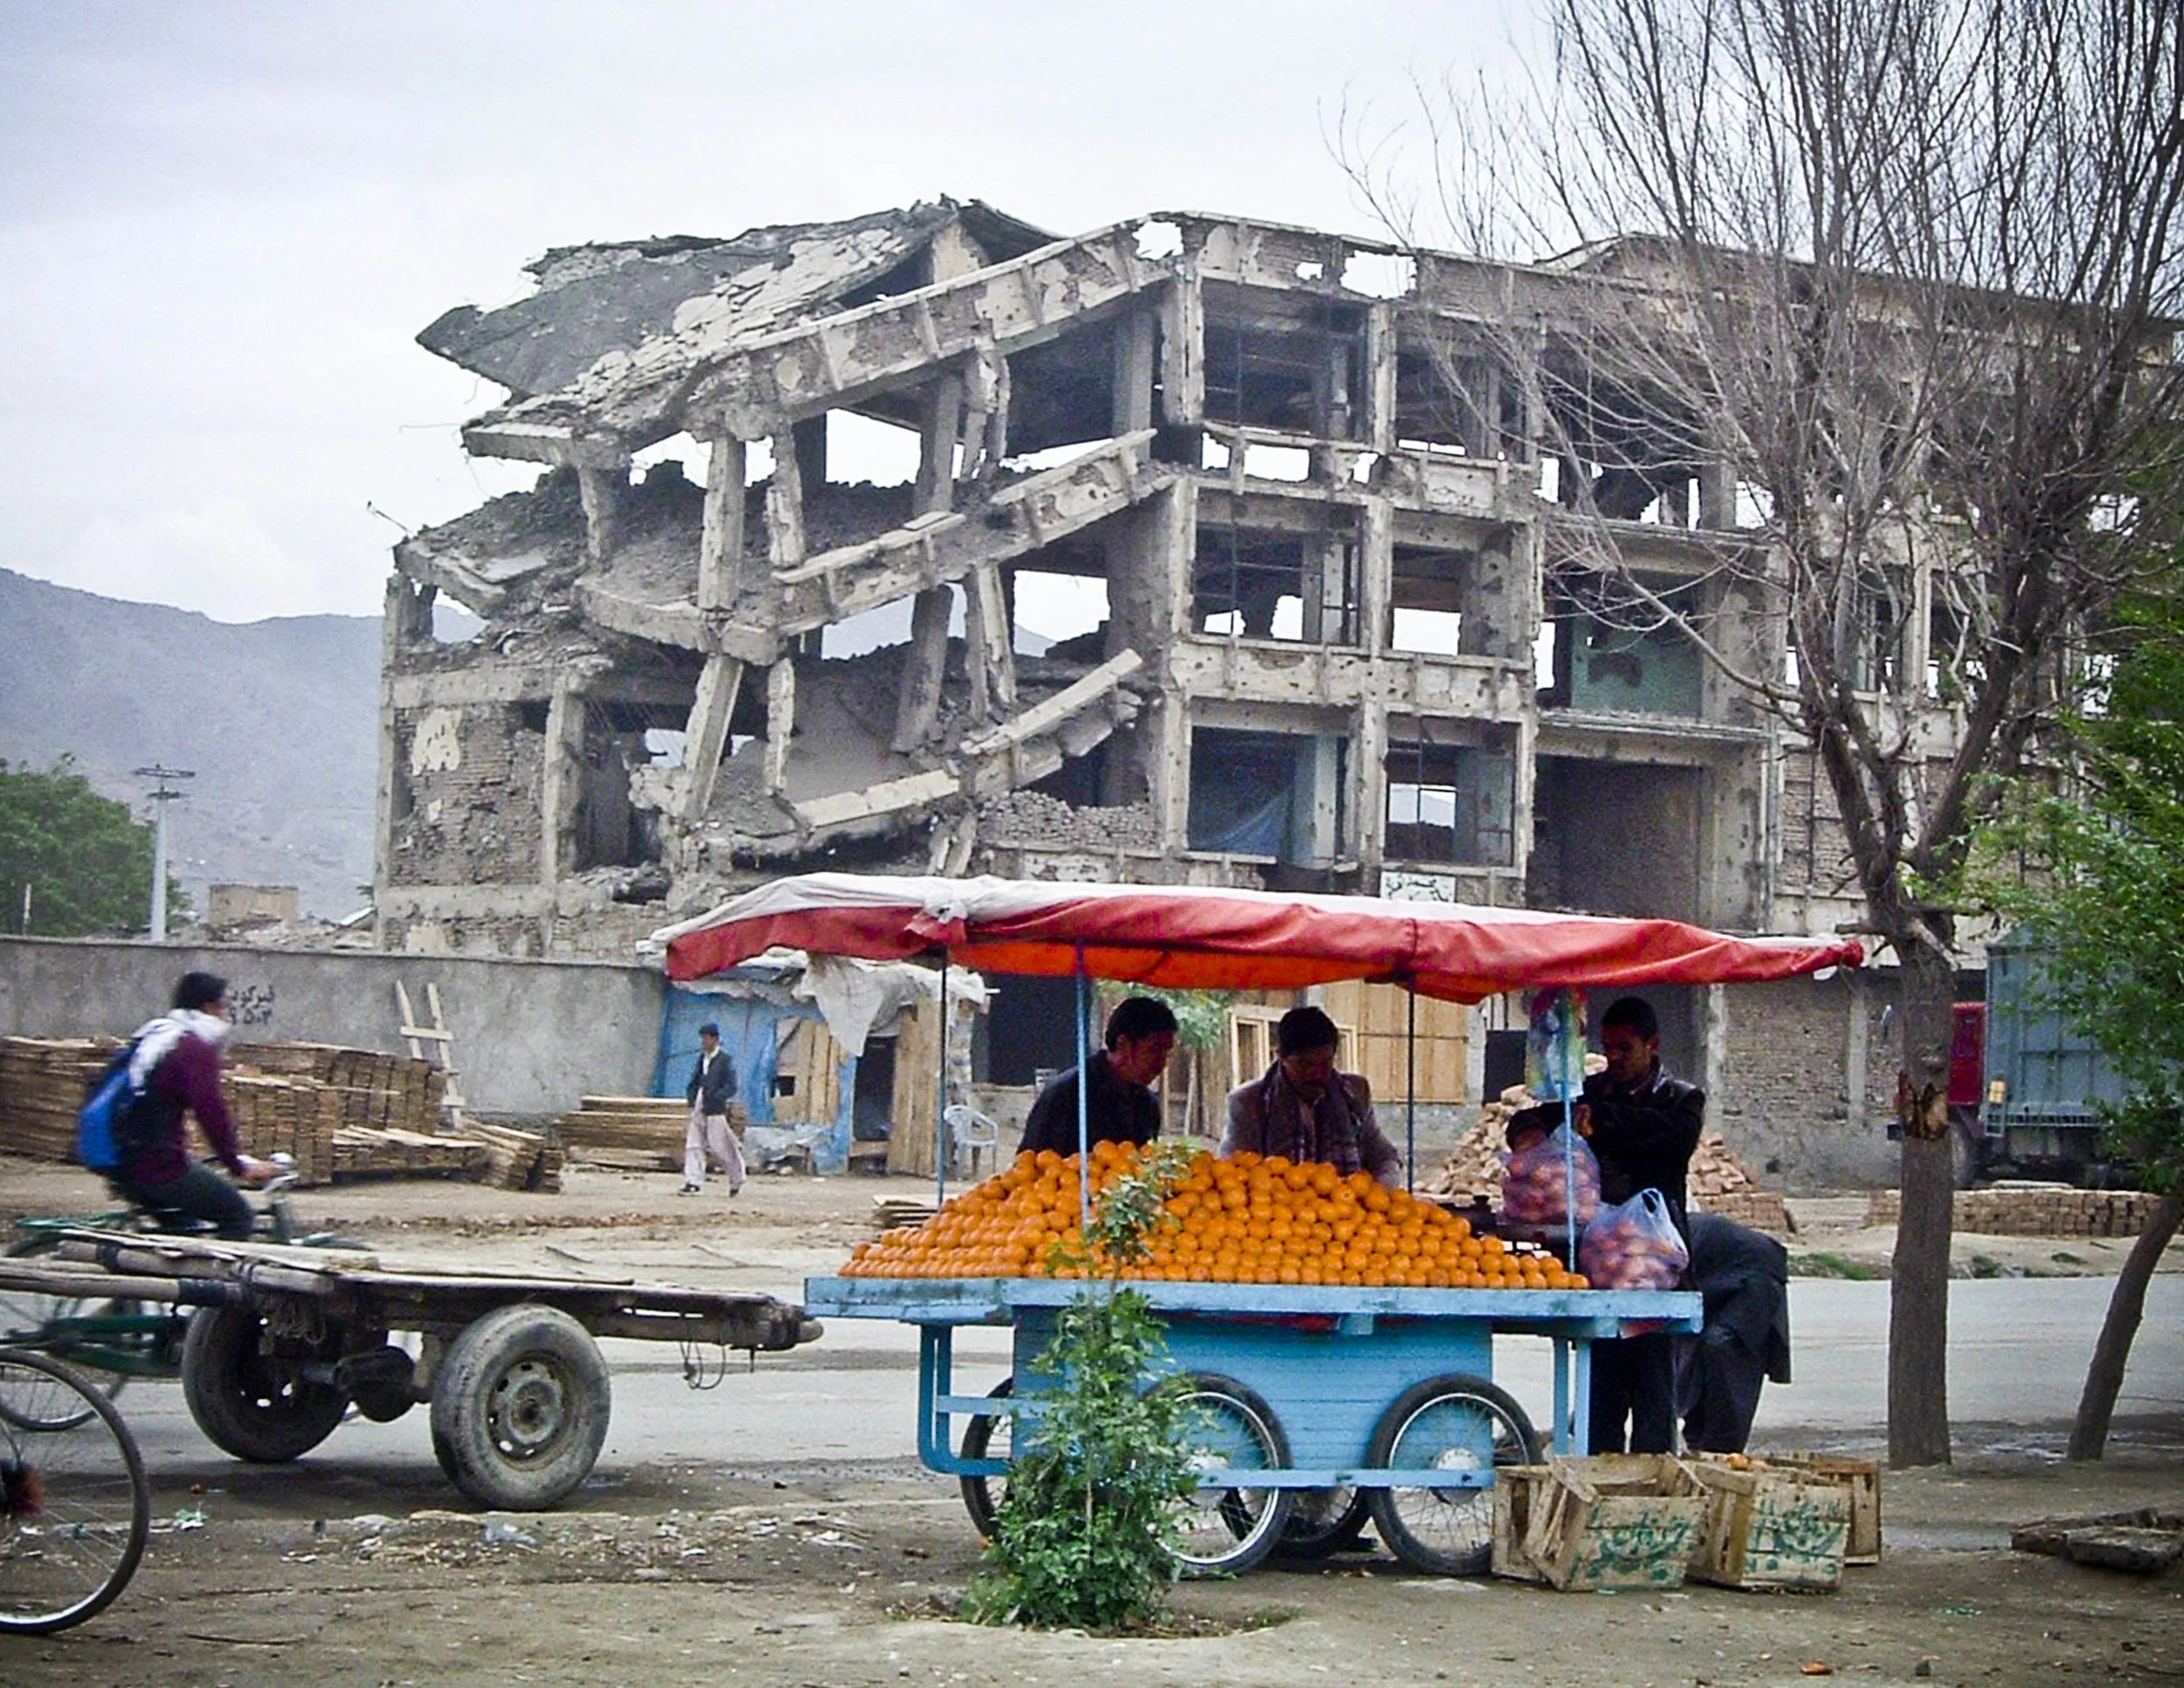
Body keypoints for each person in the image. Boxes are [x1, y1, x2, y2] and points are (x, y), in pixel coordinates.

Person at [1507, 994, 1704, 1454]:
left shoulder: (1682, 1099)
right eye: (1609, 1048)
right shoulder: (1591, 1093)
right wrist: (1527, 1133)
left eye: (1625, 1049)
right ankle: (1601, 1494)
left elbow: (1669, 1140)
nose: (1614, 1058)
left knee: (1655, 1400)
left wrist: (1602, 1122)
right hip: (1602, 1266)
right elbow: (1533, 1119)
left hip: (1654, 1270)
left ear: (1652, 1045)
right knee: (1602, 1398)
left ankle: (1653, 1505)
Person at [112, 971, 280, 1240]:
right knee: (237, 1216)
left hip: (124, 1156)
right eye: (224, 1006)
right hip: (156, 1163)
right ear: (209, 1006)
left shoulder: (158, 1035)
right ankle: (218, 1282)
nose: (226, 1015)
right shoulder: (194, 1048)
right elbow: (210, 1111)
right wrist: (238, 1165)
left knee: (185, 1233)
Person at [1222, 1005, 1402, 1186]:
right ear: (1281, 1057)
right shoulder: (1249, 1102)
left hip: (1348, 1209)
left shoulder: (1354, 1092)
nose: (1317, 1074)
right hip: (1274, 1210)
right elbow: (1233, 1169)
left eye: (1325, 1063)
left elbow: (1383, 1156)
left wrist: (1382, 1191)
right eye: (1306, 1065)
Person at [1677, 1212, 1793, 1454]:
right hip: (1713, 1278)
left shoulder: (1660, 1243)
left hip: (1754, 1275)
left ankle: (1724, 1449)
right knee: (1693, 1355)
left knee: (1724, 1347)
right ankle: (1699, 1441)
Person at [1017, 995, 1178, 1158]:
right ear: (1123, 1044)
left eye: (1167, 1052)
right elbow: (1027, 1166)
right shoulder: (1067, 1094)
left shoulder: (1146, 1105)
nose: (1162, 1062)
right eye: (1154, 1050)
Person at [681, 1021, 746, 1196]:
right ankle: (693, 1181)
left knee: (720, 1147)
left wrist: (717, 1097)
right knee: (694, 1144)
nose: (703, 1042)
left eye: (706, 1038)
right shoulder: (702, 1059)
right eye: (702, 1038)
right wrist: (692, 1097)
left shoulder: (725, 1061)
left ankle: (737, 1178)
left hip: (715, 1109)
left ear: (715, 1039)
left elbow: (731, 1086)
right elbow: (696, 1081)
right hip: (699, 1106)